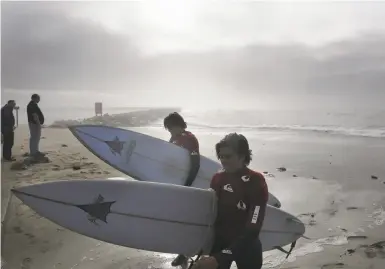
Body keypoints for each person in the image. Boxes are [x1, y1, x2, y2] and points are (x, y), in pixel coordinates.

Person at [192, 133, 268, 269]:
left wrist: (221, 257)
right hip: (220, 243)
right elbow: (211, 214)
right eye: (221, 156)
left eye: (228, 156)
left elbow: (253, 228)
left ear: (242, 156)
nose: (223, 160)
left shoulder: (255, 181)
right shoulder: (218, 179)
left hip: (247, 246)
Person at [163, 112, 201, 267]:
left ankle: (184, 254)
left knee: (185, 222)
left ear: (179, 125)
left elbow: (196, 164)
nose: (170, 132)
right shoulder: (174, 138)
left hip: (187, 186)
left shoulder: (190, 139)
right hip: (176, 185)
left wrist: (187, 185)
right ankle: (182, 254)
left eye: (171, 128)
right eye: (168, 129)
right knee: (177, 222)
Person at [27, 94, 45, 158]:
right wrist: (38, 124)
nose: (39, 100)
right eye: (38, 98)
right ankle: (33, 152)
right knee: (35, 137)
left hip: (35, 123)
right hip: (34, 124)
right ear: (34, 98)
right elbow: (35, 115)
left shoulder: (33, 105)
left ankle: (35, 151)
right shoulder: (32, 105)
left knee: (36, 138)